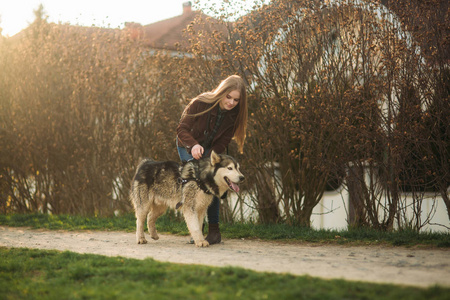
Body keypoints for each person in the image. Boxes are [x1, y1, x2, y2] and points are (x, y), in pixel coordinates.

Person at [176, 75, 248, 244]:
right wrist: (193, 145)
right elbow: (182, 129)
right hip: (187, 145)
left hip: (210, 150)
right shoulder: (200, 102)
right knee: (195, 186)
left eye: (236, 100)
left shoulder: (234, 115)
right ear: (221, 92)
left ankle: (214, 231)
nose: (231, 103)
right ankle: (197, 232)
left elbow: (223, 141)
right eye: (228, 97)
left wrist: (211, 159)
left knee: (214, 180)